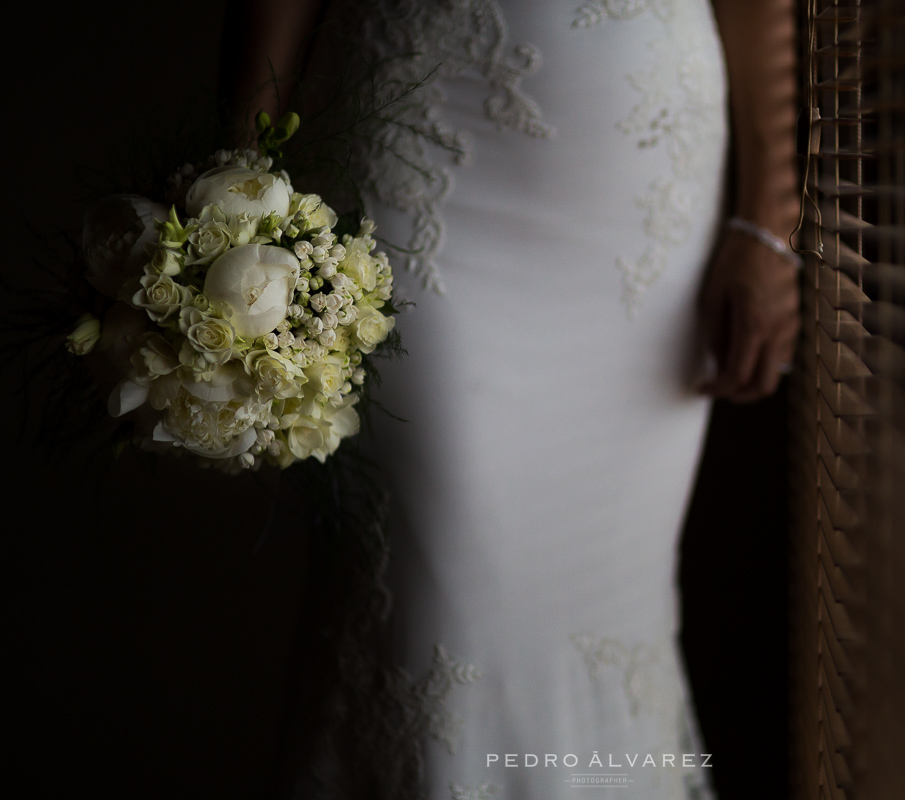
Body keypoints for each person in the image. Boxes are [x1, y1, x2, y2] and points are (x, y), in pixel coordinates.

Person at [222, 1, 800, 797]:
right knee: (432, 610)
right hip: (405, 146)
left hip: (637, 203)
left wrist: (772, 218)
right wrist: (233, 177)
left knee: (606, 611)